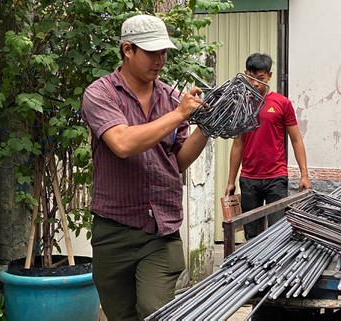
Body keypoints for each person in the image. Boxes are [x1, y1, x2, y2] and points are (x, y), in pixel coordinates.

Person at [81, 14, 209, 320]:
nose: (160, 60)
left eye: (164, 52)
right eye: (152, 52)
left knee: (155, 312)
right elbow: (123, 143)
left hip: (160, 231)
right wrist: (179, 115)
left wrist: (206, 127)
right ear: (128, 50)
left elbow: (177, 160)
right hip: (114, 231)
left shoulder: (169, 97)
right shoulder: (100, 94)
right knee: (120, 315)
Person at [225, 53, 311, 240]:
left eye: (260, 78)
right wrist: (231, 180)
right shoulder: (241, 104)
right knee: (251, 234)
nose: (255, 83)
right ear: (245, 74)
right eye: (251, 77)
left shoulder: (282, 103)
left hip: (276, 177)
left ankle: (274, 268)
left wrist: (304, 174)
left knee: (277, 232)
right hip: (249, 178)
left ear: (269, 76)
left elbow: (296, 139)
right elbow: (237, 144)